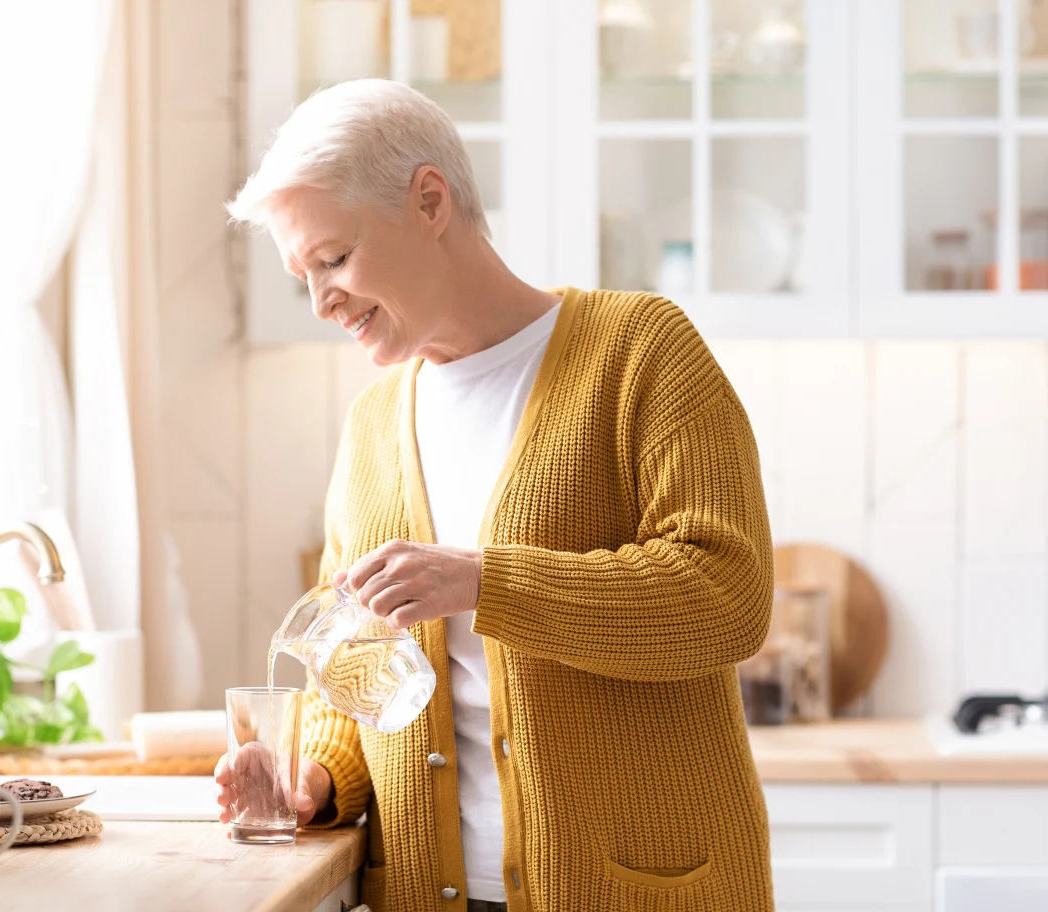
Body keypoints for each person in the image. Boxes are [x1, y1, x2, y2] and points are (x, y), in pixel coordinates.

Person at [216, 78, 775, 912]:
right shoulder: (373, 426)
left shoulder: (641, 353)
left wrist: (487, 582)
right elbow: (355, 663)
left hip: (637, 892)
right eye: (304, 273)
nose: (321, 299)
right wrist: (313, 779)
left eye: (333, 259)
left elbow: (727, 597)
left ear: (431, 201)